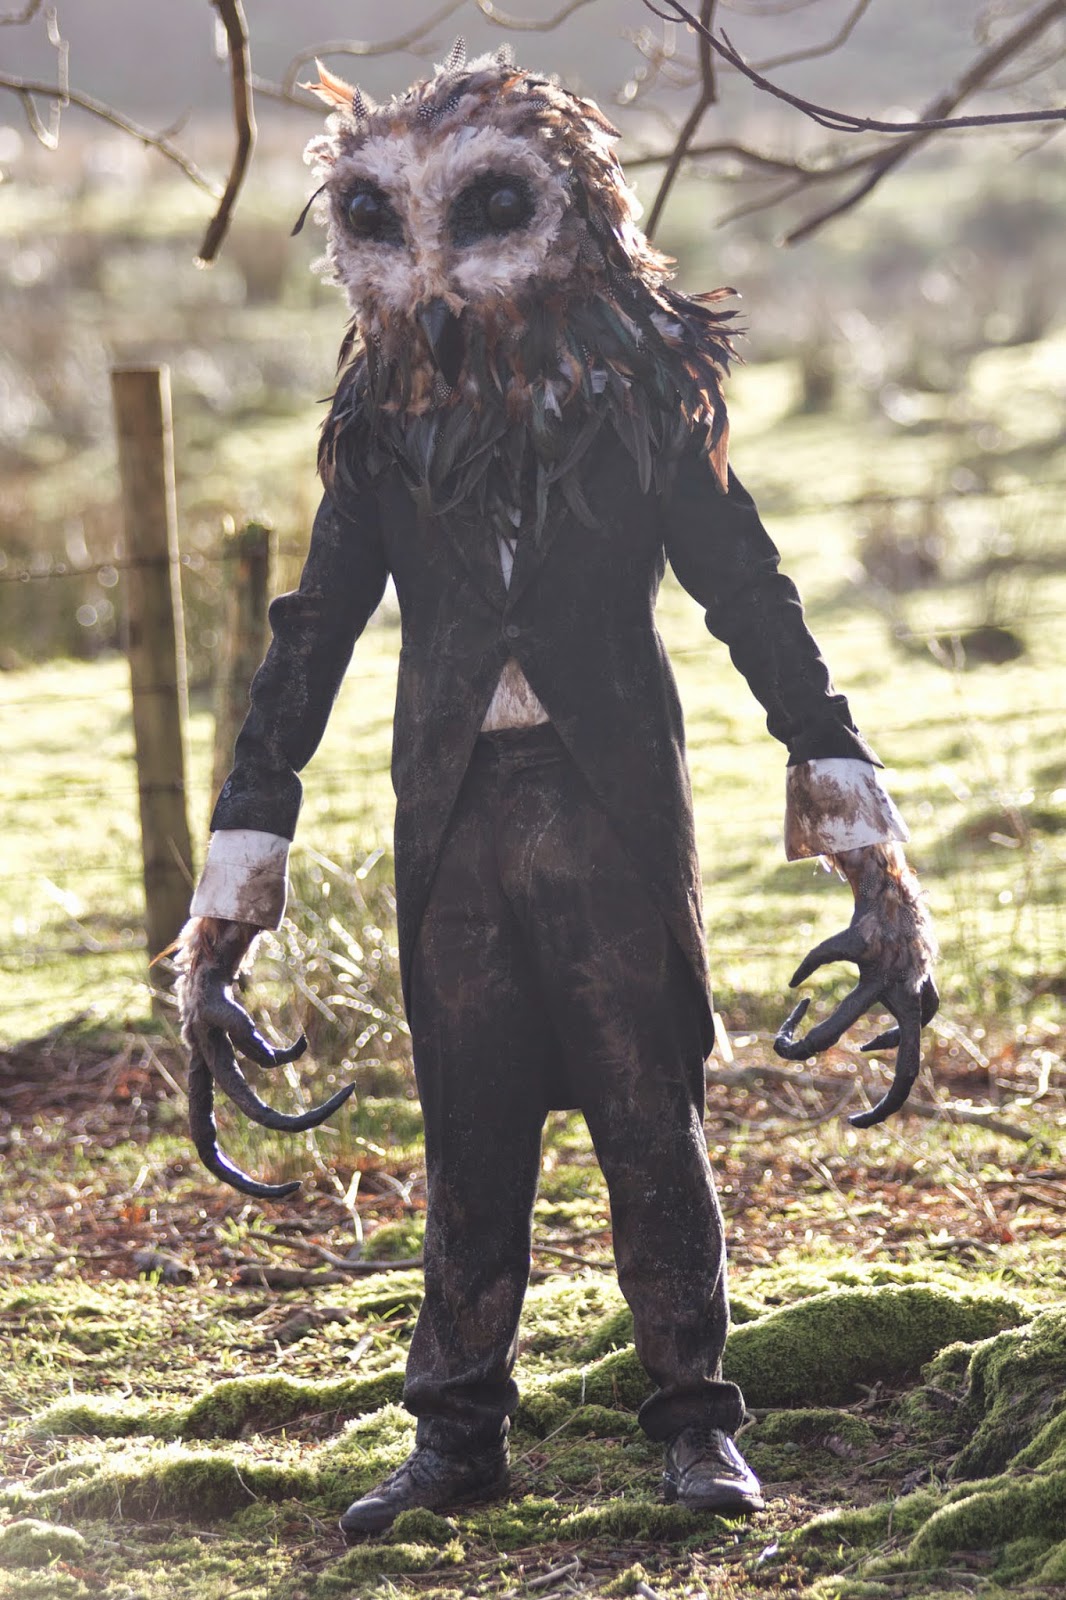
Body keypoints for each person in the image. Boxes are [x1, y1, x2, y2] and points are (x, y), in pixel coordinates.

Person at [178, 43, 937, 1539]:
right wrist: (238, 870)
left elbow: (748, 592)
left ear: (567, 210)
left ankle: (696, 1424)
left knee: (650, 1112)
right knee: (469, 1130)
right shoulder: (383, 422)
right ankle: (456, 1433)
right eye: (387, 224)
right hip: (452, 813)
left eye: (482, 214)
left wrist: (854, 814)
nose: (435, 272)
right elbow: (312, 635)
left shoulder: (641, 397)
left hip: (609, 804)